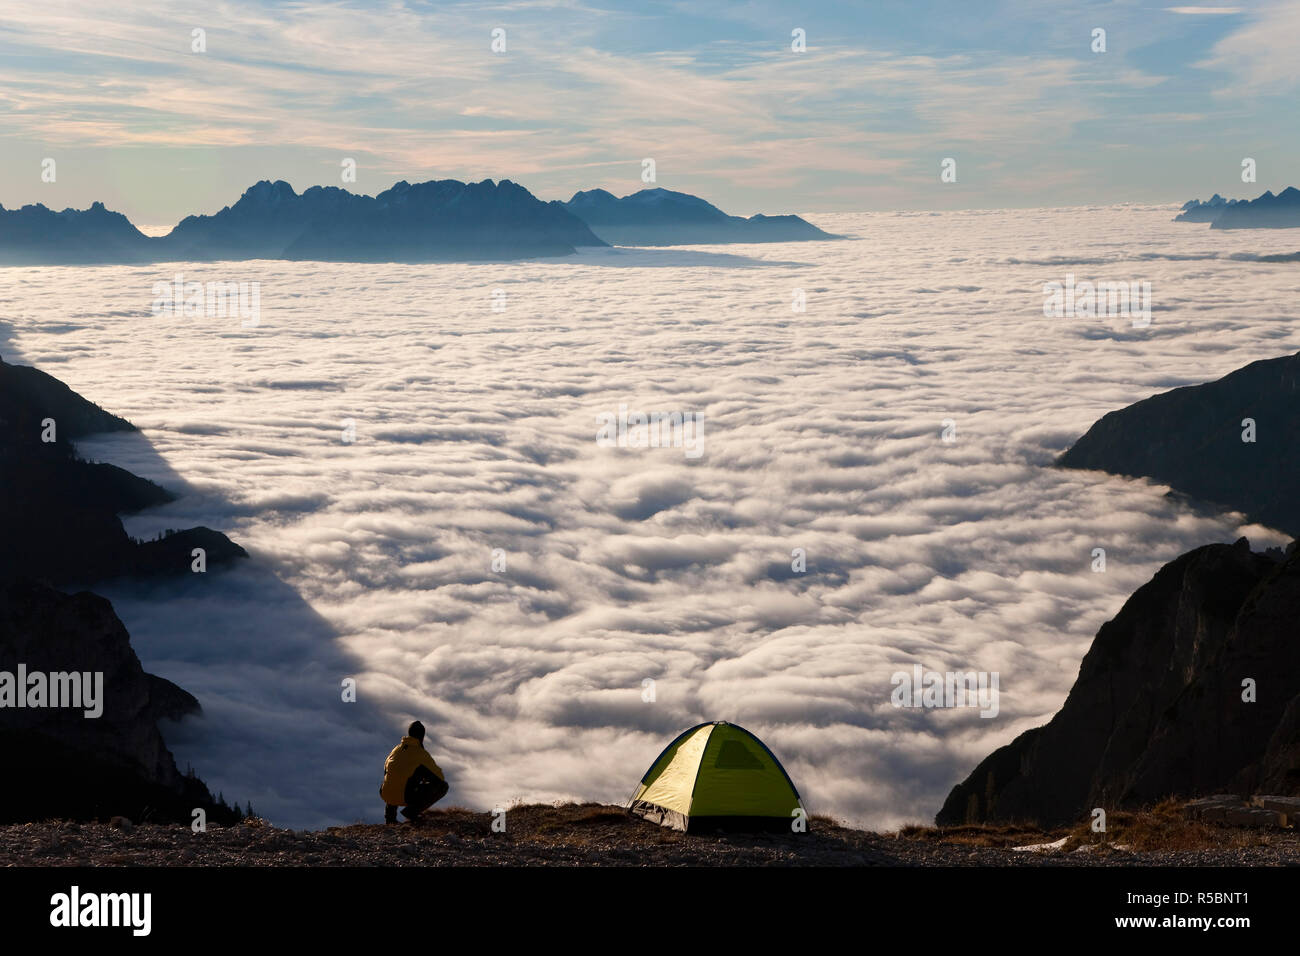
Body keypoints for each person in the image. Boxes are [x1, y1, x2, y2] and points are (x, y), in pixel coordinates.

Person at [381, 720, 448, 824]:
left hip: (386, 794)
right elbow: (440, 778)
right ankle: (411, 812)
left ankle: (390, 818)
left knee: (396, 777)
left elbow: (386, 770)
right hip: (405, 797)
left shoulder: (396, 749)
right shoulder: (420, 753)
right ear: (422, 736)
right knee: (442, 786)